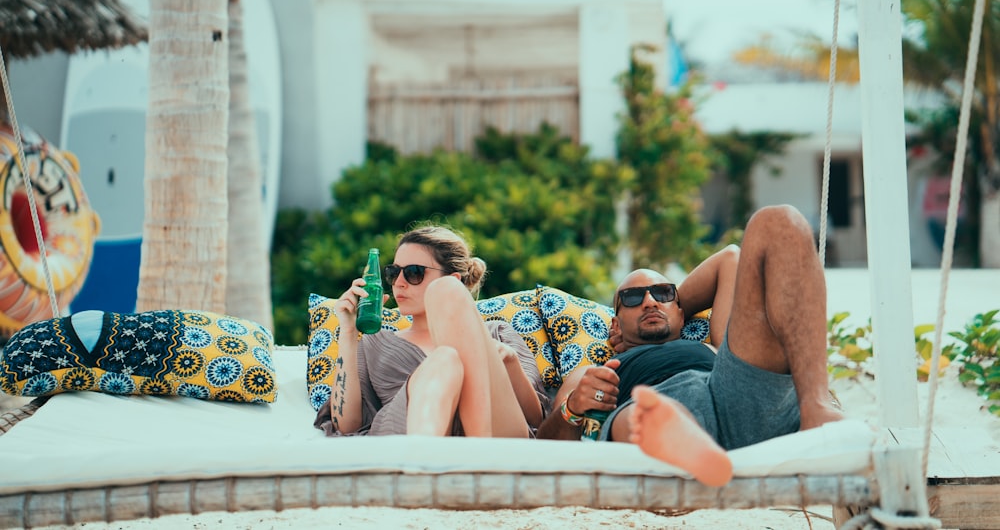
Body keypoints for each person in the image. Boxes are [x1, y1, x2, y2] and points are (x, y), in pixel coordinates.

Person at [536, 204, 844, 487]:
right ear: (614, 325)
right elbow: (547, 447)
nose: (649, 301)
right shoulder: (593, 372)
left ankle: (815, 408)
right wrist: (573, 408)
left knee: (780, 221)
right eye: (631, 298)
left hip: (733, 388)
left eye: (662, 293)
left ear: (682, 312)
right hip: (652, 402)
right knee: (644, 414)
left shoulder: (719, 340)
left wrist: (667, 308)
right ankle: (687, 446)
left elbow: (731, 258)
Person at [314, 224, 550, 438]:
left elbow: (536, 419)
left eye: (414, 272)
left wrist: (508, 360)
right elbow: (347, 426)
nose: (399, 283)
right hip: (408, 430)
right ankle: (428, 459)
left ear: (456, 278)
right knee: (445, 359)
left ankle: (475, 455)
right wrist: (347, 331)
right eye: (394, 273)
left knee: (444, 297)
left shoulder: (497, 333)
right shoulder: (375, 343)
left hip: (497, 434)